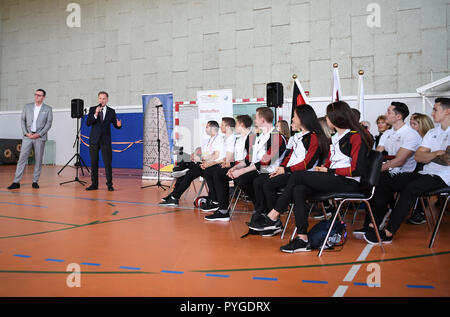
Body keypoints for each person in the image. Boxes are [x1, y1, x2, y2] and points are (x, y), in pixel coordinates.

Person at [249, 101, 373, 253]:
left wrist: (329, 171)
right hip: (334, 178)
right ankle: (302, 238)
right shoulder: (335, 137)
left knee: (298, 177)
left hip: (349, 182)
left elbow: (357, 170)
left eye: (328, 116)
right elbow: (330, 163)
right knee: (299, 189)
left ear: (336, 118)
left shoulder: (355, 137)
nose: (326, 119)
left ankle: (272, 217)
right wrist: (326, 169)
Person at [364, 98, 450, 244]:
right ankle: (377, 219)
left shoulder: (413, 134)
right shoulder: (432, 133)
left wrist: (429, 155)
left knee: (411, 188)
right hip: (426, 172)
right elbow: (418, 156)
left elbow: (447, 159)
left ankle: (389, 232)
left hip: (444, 176)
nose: (432, 112)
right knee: (385, 181)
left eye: (435, 109)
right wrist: (436, 154)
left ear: (447, 111)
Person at [250, 104, 329, 234]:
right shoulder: (298, 137)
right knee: (265, 182)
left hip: (302, 174)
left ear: (303, 119)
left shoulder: (314, 137)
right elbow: (290, 156)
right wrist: (281, 167)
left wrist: (286, 170)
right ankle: (270, 218)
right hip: (290, 171)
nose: (292, 119)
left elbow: (307, 164)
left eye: (295, 117)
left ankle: (273, 219)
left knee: (269, 184)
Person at [353, 101, 422, 238]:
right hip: (388, 171)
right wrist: (371, 170)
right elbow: (377, 155)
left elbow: (399, 160)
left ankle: (375, 221)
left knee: (380, 182)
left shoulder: (411, 134)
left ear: (398, 116)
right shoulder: (387, 134)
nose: (386, 114)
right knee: (369, 182)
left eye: (389, 112)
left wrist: (376, 170)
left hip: (406, 173)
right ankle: (373, 220)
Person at [225, 107, 287, 216]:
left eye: (256, 118)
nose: (255, 121)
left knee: (256, 181)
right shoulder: (259, 137)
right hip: (260, 169)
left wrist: (242, 171)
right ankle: (259, 206)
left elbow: (266, 161)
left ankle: (267, 212)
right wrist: (236, 167)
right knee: (242, 180)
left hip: (272, 170)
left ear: (262, 120)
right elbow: (249, 158)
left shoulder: (277, 137)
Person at [160, 120, 223, 206]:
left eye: (207, 127)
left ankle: (174, 197)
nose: (206, 129)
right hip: (204, 163)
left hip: (211, 166)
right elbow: (204, 152)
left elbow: (216, 155)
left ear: (212, 128)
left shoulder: (219, 139)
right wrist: (197, 154)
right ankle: (174, 195)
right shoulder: (209, 139)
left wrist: (203, 160)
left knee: (188, 173)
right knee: (185, 166)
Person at [204, 115, 253, 221]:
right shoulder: (239, 139)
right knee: (215, 172)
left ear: (241, 124)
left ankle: (221, 207)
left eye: (236, 124)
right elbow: (235, 156)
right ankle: (221, 207)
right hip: (238, 165)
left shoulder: (250, 137)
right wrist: (229, 163)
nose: (234, 126)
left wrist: (233, 166)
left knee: (218, 173)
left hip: (247, 168)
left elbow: (249, 159)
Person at [8, 89, 53, 190]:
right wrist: (25, 133)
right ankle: (16, 182)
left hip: (40, 138)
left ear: (43, 97)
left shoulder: (48, 109)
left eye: (39, 95)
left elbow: (48, 123)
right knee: (22, 159)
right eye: (36, 94)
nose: (37, 97)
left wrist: (39, 134)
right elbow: (22, 120)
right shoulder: (27, 106)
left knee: (38, 159)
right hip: (27, 136)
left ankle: (35, 181)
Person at [85, 91, 122, 191]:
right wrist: (96, 114)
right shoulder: (93, 109)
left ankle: (109, 184)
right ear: (98, 99)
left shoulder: (111, 111)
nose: (102, 100)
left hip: (105, 140)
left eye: (104, 98)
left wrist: (119, 125)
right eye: (100, 98)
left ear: (107, 99)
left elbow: (115, 124)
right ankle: (94, 184)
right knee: (94, 163)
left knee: (107, 163)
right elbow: (88, 123)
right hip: (94, 140)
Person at [200, 117, 236, 212]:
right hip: (223, 163)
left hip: (230, 165)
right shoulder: (226, 138)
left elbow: (227, 158)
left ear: (228, 127)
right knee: (208, 171)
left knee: (215, 173)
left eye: (222, 125)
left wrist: (210, 163)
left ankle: (221, 206)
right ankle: (215, 201)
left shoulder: (230, 138)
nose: (220, 127)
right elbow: (223, 157)